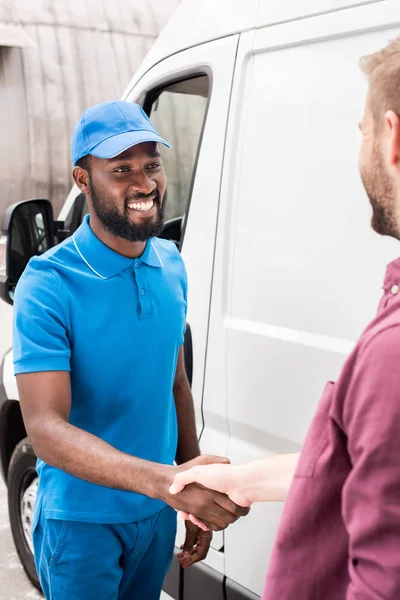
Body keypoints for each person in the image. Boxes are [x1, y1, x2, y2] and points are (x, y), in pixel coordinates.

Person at [170, 38, 400, 599]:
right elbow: (362, 464)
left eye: (364, 132)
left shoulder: (392, 351)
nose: (362, 148)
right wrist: (242, 481)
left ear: (394, 139)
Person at [13, 100, 248, 600]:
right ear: (82, 178)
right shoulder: (48, 283)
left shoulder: (170, 262)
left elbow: (175, 382)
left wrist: (190, 485)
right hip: (81, 525)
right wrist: (166, 482)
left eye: (151, 165)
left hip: (157, 516)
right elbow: (46, 430)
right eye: (121, 169)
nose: (144, 184)